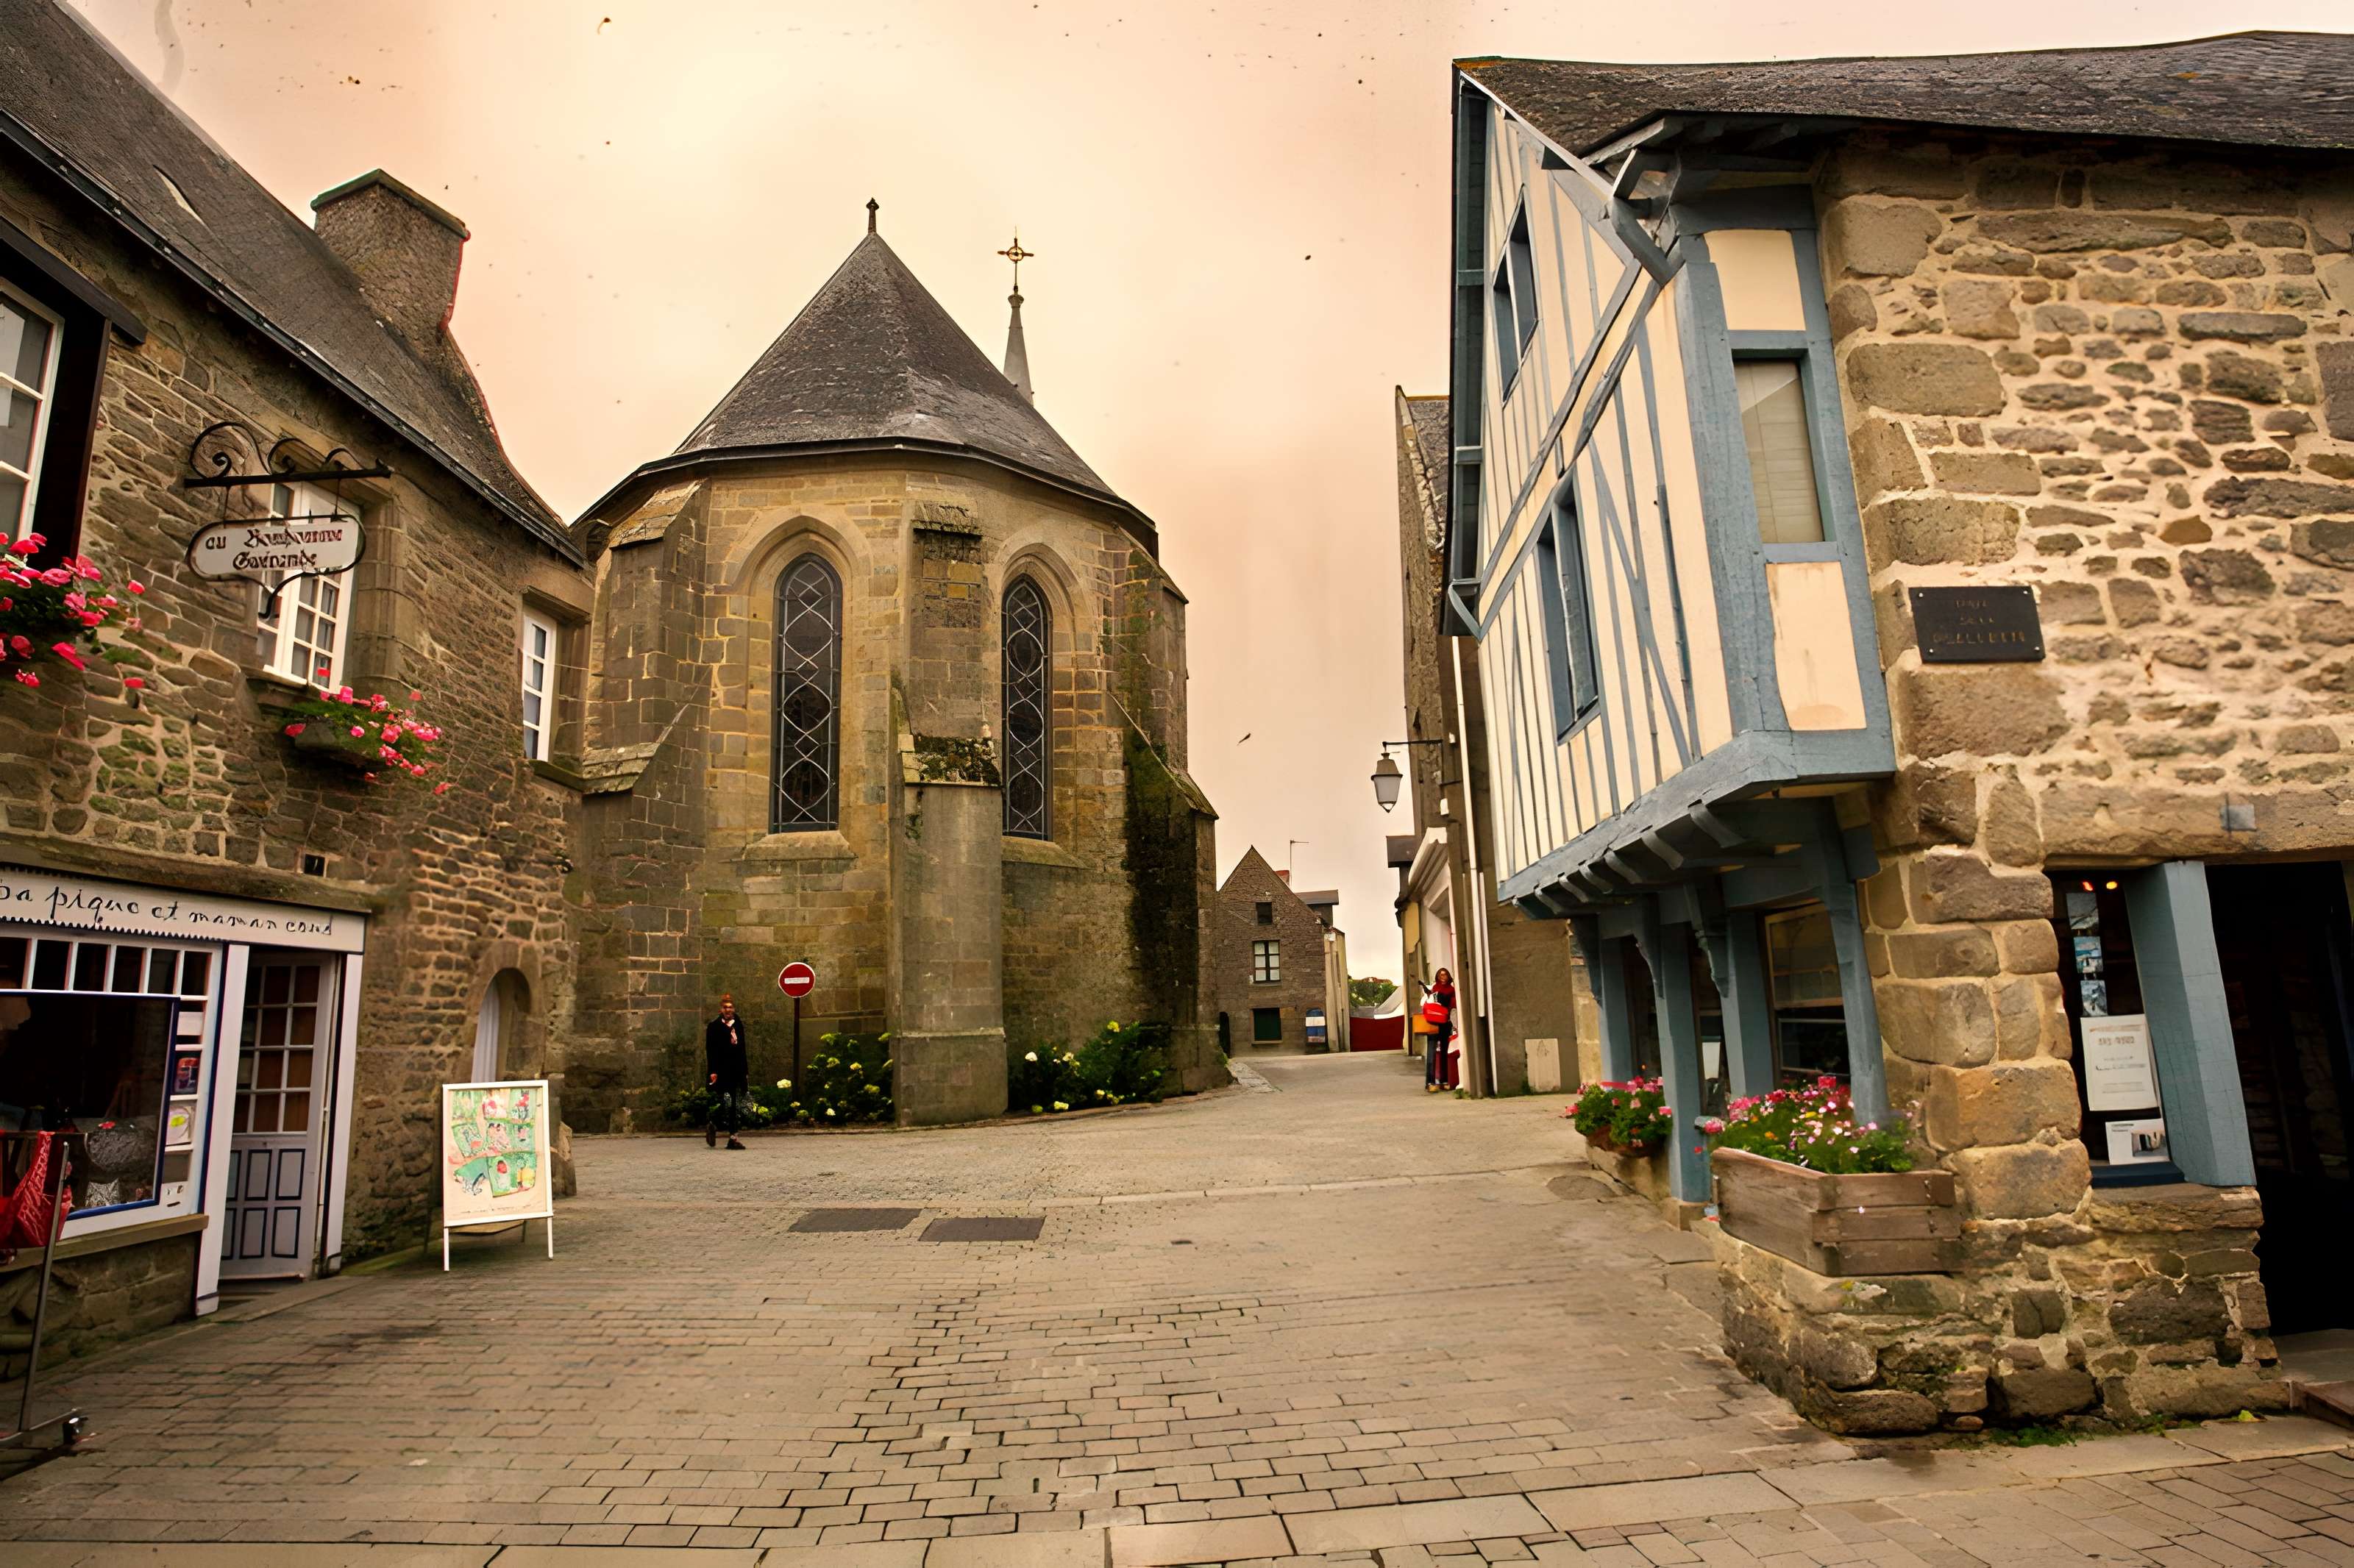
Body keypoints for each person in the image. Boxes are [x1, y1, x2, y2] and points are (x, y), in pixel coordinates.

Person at [705, 995, 750, 1150]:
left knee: (734, 1104)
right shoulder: (714, 1027)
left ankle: (733, 1138)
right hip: (721, 1070)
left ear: (734, 1009)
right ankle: (714, 1123)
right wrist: (713, 1071)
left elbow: (742, 1048)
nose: (728, 1010)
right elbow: (711, 1051)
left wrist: (745, 1071)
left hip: (736, 1070)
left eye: (730, 1007)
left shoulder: (738, 1025)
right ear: (721, 1010)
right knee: (726, 1102)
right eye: (725, 1008)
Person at [1423, 968, 1457, 1093]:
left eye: (1445, 975)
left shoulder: (1452, 990)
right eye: (1441, 975)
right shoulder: (1433, 989)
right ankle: (1430, 1082)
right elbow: (1425, 1005)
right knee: (1431, 1053)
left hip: (1445, 1024)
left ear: (1449, 977)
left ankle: (1444, 1081)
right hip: (1432, 1024)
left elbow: (1453, 1007)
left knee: (1444, 1053)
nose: (1443, 977)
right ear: (1438, 977)